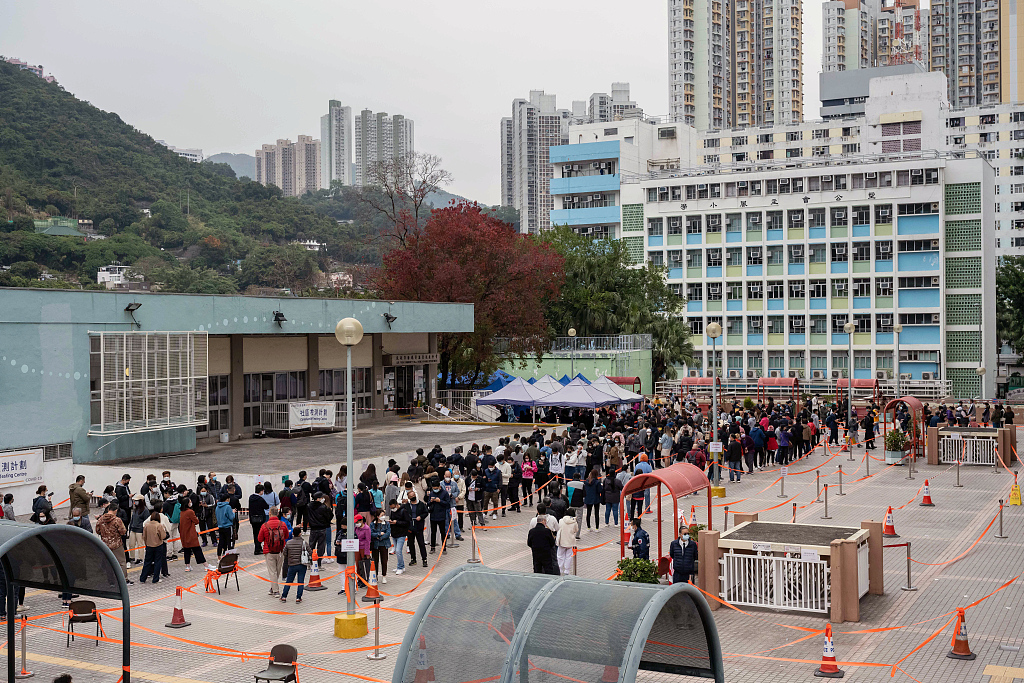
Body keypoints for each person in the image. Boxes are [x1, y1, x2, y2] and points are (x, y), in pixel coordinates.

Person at [95, 503, 133, 584]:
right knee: (121, 562)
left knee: (108, 563)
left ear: (108, 509)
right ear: (116, 510)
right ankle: (124, 580)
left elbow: (97, 530)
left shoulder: (101, 519)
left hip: (105, 544)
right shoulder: (117, 520)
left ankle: (111, 581)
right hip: (116, 544)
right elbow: (123, 531)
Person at [258, 507, 290, 596]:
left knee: (272, 572)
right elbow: (287, 536)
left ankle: (276, 590)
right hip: (280, 550)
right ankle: (273, 588)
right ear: (278, 513)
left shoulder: (265, 526)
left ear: (270, 514)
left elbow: (260, 539)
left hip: (269, 551)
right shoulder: (283, 524)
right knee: (277, 570)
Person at [280, 528, 310, 604]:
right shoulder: (304, 543)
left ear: (293, 533)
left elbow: (284, 553)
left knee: (289, 581)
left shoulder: (289, 543)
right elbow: (310, 552)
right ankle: (298, 598)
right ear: (300, 533)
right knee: (300, 582)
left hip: (292, 565)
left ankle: (284, 596)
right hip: (302, 564)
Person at [176, 497, 207, 572]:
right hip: (191, 534)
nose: (191, 503)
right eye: (190, 501)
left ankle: (187, 566)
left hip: (184, 534)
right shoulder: (190, 512)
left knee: (187, 550)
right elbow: (196, 521)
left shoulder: (181, 512)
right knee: (197, 549)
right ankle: (206, 565)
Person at [139, 510, 169, 584]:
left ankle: (142, 578)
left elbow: (144, 536)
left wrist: (146, 543)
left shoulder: (147, 525)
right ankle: (155, 578)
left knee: (147, 562)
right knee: (157, 562)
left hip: (149, 546)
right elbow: (163, 536)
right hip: (158, 545)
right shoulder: (159, 525)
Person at [527, 505, 557, 575]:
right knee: (548, 569)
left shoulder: (532, 531)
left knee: (537, 569)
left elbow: (529, 543)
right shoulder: (547, 531)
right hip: (546, 554)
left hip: (536, 553)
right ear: (543, 521)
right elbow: (552, 542)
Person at [405, 491, 428, 568]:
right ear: (408, 498)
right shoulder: (407, 505)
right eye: (411, 496)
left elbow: (426, 512)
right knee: (411, 544)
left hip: (419, 527)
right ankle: (413, 559)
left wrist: (421, 517)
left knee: (421, 543)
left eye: (413, 495)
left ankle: (424, 559)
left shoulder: (421, 504)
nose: (413, 497)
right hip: (410, 528)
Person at [426, 479, 450, 554]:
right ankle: (432, 547)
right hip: (433, 515)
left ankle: (444, 547)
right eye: (434, 488)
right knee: (433, 532)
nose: (435, 490)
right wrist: (431, 501)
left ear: (439, 487)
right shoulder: (432, 493)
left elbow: (447, 504)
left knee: (443, 532)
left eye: (436, 488)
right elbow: (428, 503)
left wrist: (440, 501)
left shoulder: (445, 493)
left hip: (441, 515)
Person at [388, 499, 410, 575]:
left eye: (393, 507)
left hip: (402, 534)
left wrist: (397, 522)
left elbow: (407, 522)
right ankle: (401, 566)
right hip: (394, 533)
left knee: (398, 551)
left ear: (397, 505)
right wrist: (390, 522)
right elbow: (391, 518)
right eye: (391, 508)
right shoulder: (392, 512)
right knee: (398, 551)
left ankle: (400, 567)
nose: (392, 509)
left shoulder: (403, 511)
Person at [369, 509, 391, 584]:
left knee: (384, 561)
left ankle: (384, 576)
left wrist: (380, 537)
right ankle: (376, 575)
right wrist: (378, 534)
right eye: (382, 515)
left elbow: (388, 533)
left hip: (384, 544)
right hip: (375, 545)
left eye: (384, 515)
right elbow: (371, 533)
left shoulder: (387, 524)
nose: (383, 516)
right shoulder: (372, 524)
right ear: (378, 516)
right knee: (375, 561)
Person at [248, 484, 270, 555]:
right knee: (260, 534)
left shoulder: (251, 498)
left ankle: (257, 548)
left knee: (255, 533)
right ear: (261, 491)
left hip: (253, 518)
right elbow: (266, 506)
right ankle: (258, 548)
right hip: (260, 518)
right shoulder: (260, 499)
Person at [555, 508, 578, 575]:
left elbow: (559, 528)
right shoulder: (574, 522)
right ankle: (567, 570)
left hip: (562, 541)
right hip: (570, 541)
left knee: (560, 555)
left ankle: (560, 569)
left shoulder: (561, 521)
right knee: (569, 556)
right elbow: (576, 530)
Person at [127, 495, 149, 565]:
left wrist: (144, 531)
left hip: (140, 530)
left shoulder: (145, 510)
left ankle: (140, 558)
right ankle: (132, 557)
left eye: (137, 501)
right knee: (131, 544)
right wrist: (130, 528)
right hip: (133, 529)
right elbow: (132, 519)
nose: (135, 502)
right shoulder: (135, 509)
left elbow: (146, 521)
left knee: (140, 545)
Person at [215, 493, 236, 558]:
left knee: (221, 542)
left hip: (220, 526)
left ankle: (219, 556)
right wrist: (233, 512)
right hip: (228, 526)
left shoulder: (217, 506)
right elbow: (231, 517)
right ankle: (229, 556)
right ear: (227, 499)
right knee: (229, 541)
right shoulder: (228, 507)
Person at [354, 513, 372, 583]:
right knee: (358, 564)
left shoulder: (366, 529)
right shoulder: (356, 528)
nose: (356, 523)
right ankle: (359, 579)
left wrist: (367, 552)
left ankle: (365, 578)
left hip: (363, 548)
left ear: (361, 521)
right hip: (357, 548)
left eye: (357, 522)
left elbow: (368, 541)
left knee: (364, 564)